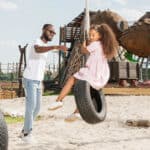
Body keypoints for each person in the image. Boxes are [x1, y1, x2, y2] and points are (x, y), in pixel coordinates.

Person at [49, 23, 118, 122]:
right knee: (85, 92)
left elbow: (83, 50)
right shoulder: (104, 45)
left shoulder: (95, 44)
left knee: (72, 79)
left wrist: (84, 42)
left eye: (93, 35)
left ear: (100, 36)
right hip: (101, 74)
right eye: (89, 35)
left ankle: (59, 101)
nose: (90, 37)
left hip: (93, 71)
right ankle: (76, 113)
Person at [20, 24, 67, 142]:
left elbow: (40, 66)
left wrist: (41, 82)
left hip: (38, 81)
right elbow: (37, 49)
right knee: (30, 107)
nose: (52, 34)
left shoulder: (46, 46)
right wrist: (55, 47)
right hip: (29, 79)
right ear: (44, 30)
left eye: (54, 33)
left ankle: (24, 130)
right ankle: (27, 134)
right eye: (50, 32)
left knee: (37, 108)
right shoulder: (37, 42)